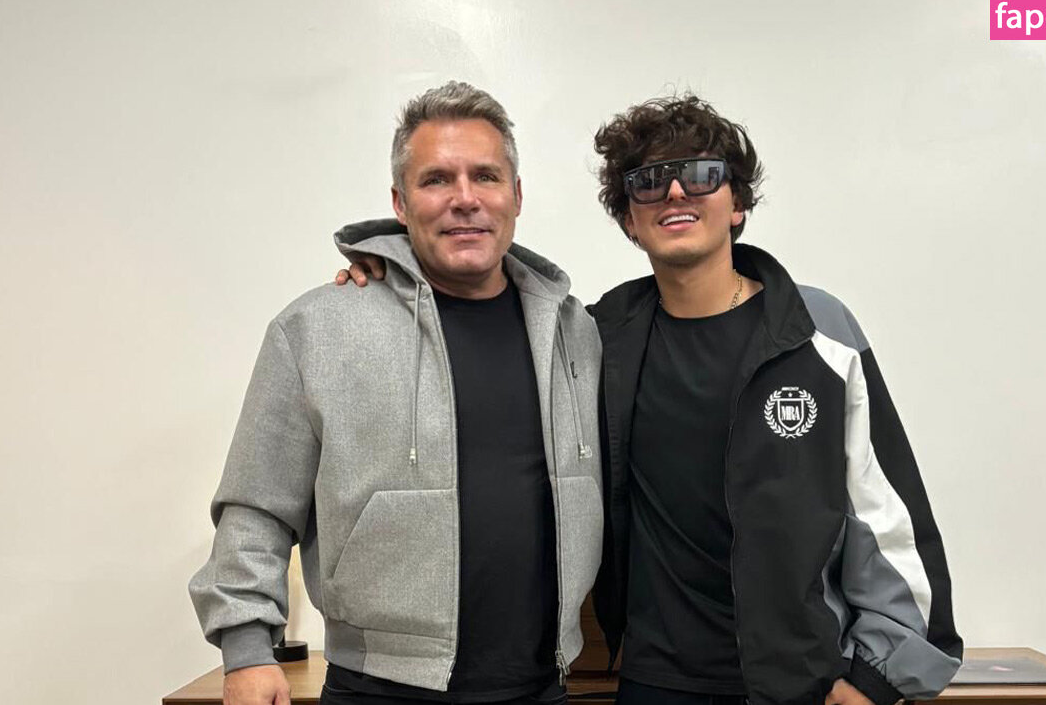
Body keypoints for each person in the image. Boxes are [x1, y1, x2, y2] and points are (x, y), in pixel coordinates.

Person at [333, 94, 962, 705]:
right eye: (650, 182)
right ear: (630, 220)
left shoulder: (818, 333)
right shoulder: (594, 339)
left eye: (702, 174)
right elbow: (477, 277)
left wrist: (878, 677)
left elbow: (889, 516)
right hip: (653, 680)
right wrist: (390, 266)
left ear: (738, 202)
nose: (676, 192)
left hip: (804, 681)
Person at [191, 81, 604, 705]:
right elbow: (257, 506)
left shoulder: (578, 334)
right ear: (400, 203)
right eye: (436, 179)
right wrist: (246, 648)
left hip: (543, 686)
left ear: (516, 195)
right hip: (378, 688)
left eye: (485, 176)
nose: (465, 198)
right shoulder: (317, 328)